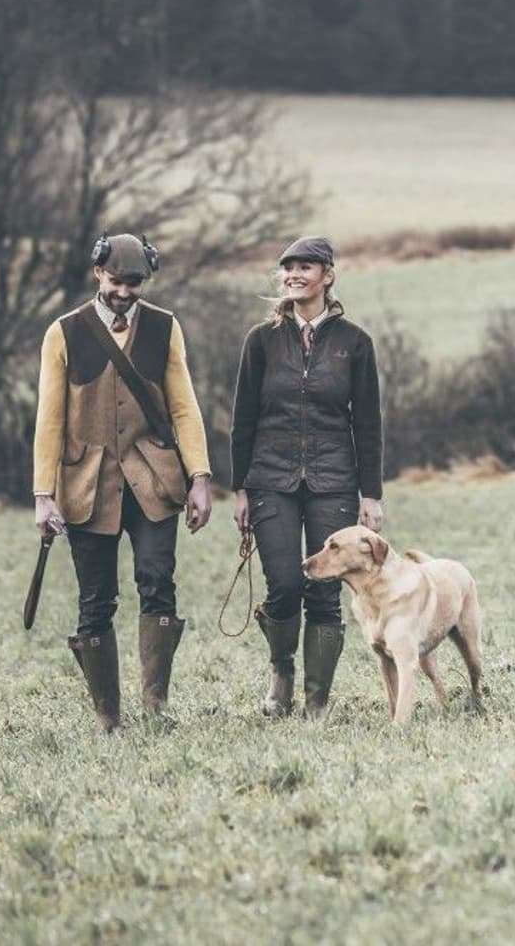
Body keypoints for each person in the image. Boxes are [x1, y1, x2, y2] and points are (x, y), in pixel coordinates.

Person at [32, 232, 213, 733]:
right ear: (98, 274)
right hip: (85, 487)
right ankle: (106, 718)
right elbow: (49, 418)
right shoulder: (63, 333)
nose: (125, 292)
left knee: (159, 585)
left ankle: (156, 708)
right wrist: (44, 495)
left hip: (154, 483)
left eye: (135, 282)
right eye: (116, 281)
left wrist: (200, 478)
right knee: (95, 600)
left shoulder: (164, 327)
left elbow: (184, 406)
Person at [230, 235, 383, 718]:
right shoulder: (261, 341)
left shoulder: (355, 343)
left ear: (328, 275)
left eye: (305, 267)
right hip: (271, 480)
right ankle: (281, 674)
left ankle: (317, 702)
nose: (294, 274)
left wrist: (371, 494)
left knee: (324, 591)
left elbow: (369, 423)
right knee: (285, 586)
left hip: (334, 481)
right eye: (287, 267)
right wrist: (240, 488)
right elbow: (243, 419)